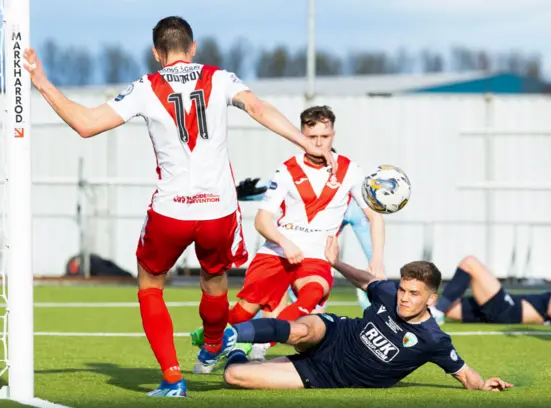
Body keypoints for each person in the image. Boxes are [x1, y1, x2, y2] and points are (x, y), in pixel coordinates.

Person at [24, 16, 336, 398]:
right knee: (215, 279)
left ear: (157, 53)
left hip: (172, 211)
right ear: (192, 48)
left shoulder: (145, 87)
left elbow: (86, 124)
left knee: (150, 287)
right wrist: (301, 142)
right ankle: (213, 342)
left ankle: (173, 378)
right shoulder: (219, 78)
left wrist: (42, 83)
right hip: (219, 210)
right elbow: (257, 107)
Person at [191, 106, 385, 370]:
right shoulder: (287, 170)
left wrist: (377, 260)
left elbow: (375, 217)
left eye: (325, 136)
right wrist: (285, 243)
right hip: (277, 253)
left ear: (333, 134)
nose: (318, 143)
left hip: (318, 257)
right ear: (302, 134)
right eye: (312, 136)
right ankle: (212, 340)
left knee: (311, 296)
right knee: (241, 313)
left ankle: (257, 341)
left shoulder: (351, 171)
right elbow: (262, 220)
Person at [220, 236, 513, 392]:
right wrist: (335, 263)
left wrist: (484, 385)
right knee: (302, 330)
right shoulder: (388, 293)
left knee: (235, 375)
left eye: (414, 294)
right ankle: (235, 333)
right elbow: (366, 280)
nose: (404, 298)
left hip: (326, 375)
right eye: (403, 290)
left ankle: (237, 350)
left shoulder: (434, 340)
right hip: (335, 333)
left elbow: (464, 375)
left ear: (430, 299)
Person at [231, 154, 377, 361]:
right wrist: (238, 191)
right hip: (285, 252)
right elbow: (262, 192)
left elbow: (368, 225)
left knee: (312, 307)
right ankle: (246, 344)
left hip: (317, 259)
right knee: (268, 304)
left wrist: (375, 260)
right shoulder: (294, 180)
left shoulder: (351, 198)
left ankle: (263, 343)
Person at [430, 255, 551, 325]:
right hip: (510, 307)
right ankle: (433, 312)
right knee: (447, 307)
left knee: (469, 263)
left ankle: (437, 313)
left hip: (510, 311)